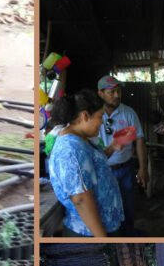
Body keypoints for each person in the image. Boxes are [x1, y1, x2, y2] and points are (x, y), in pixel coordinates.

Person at [47, 89, 124, 237]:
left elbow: (94, 166)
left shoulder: (81, 139)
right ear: (85, 116)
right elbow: (80, 199)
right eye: (100, 117)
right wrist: (102, 239)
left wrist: (114, 146)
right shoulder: (70, 150)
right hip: (88, 233)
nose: (101, 123)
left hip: (102, 226)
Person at [93, 75, 147, 235]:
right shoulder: (94, 115)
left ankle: (128, 236)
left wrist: (143, 168)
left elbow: (139, 141)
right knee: (105, 208)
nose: (117, 95)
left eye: (118, 91)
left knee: (128, 208)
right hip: (103, 171)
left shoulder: (128, 113)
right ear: (100, 93)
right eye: (112, 92)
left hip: (125, 170)